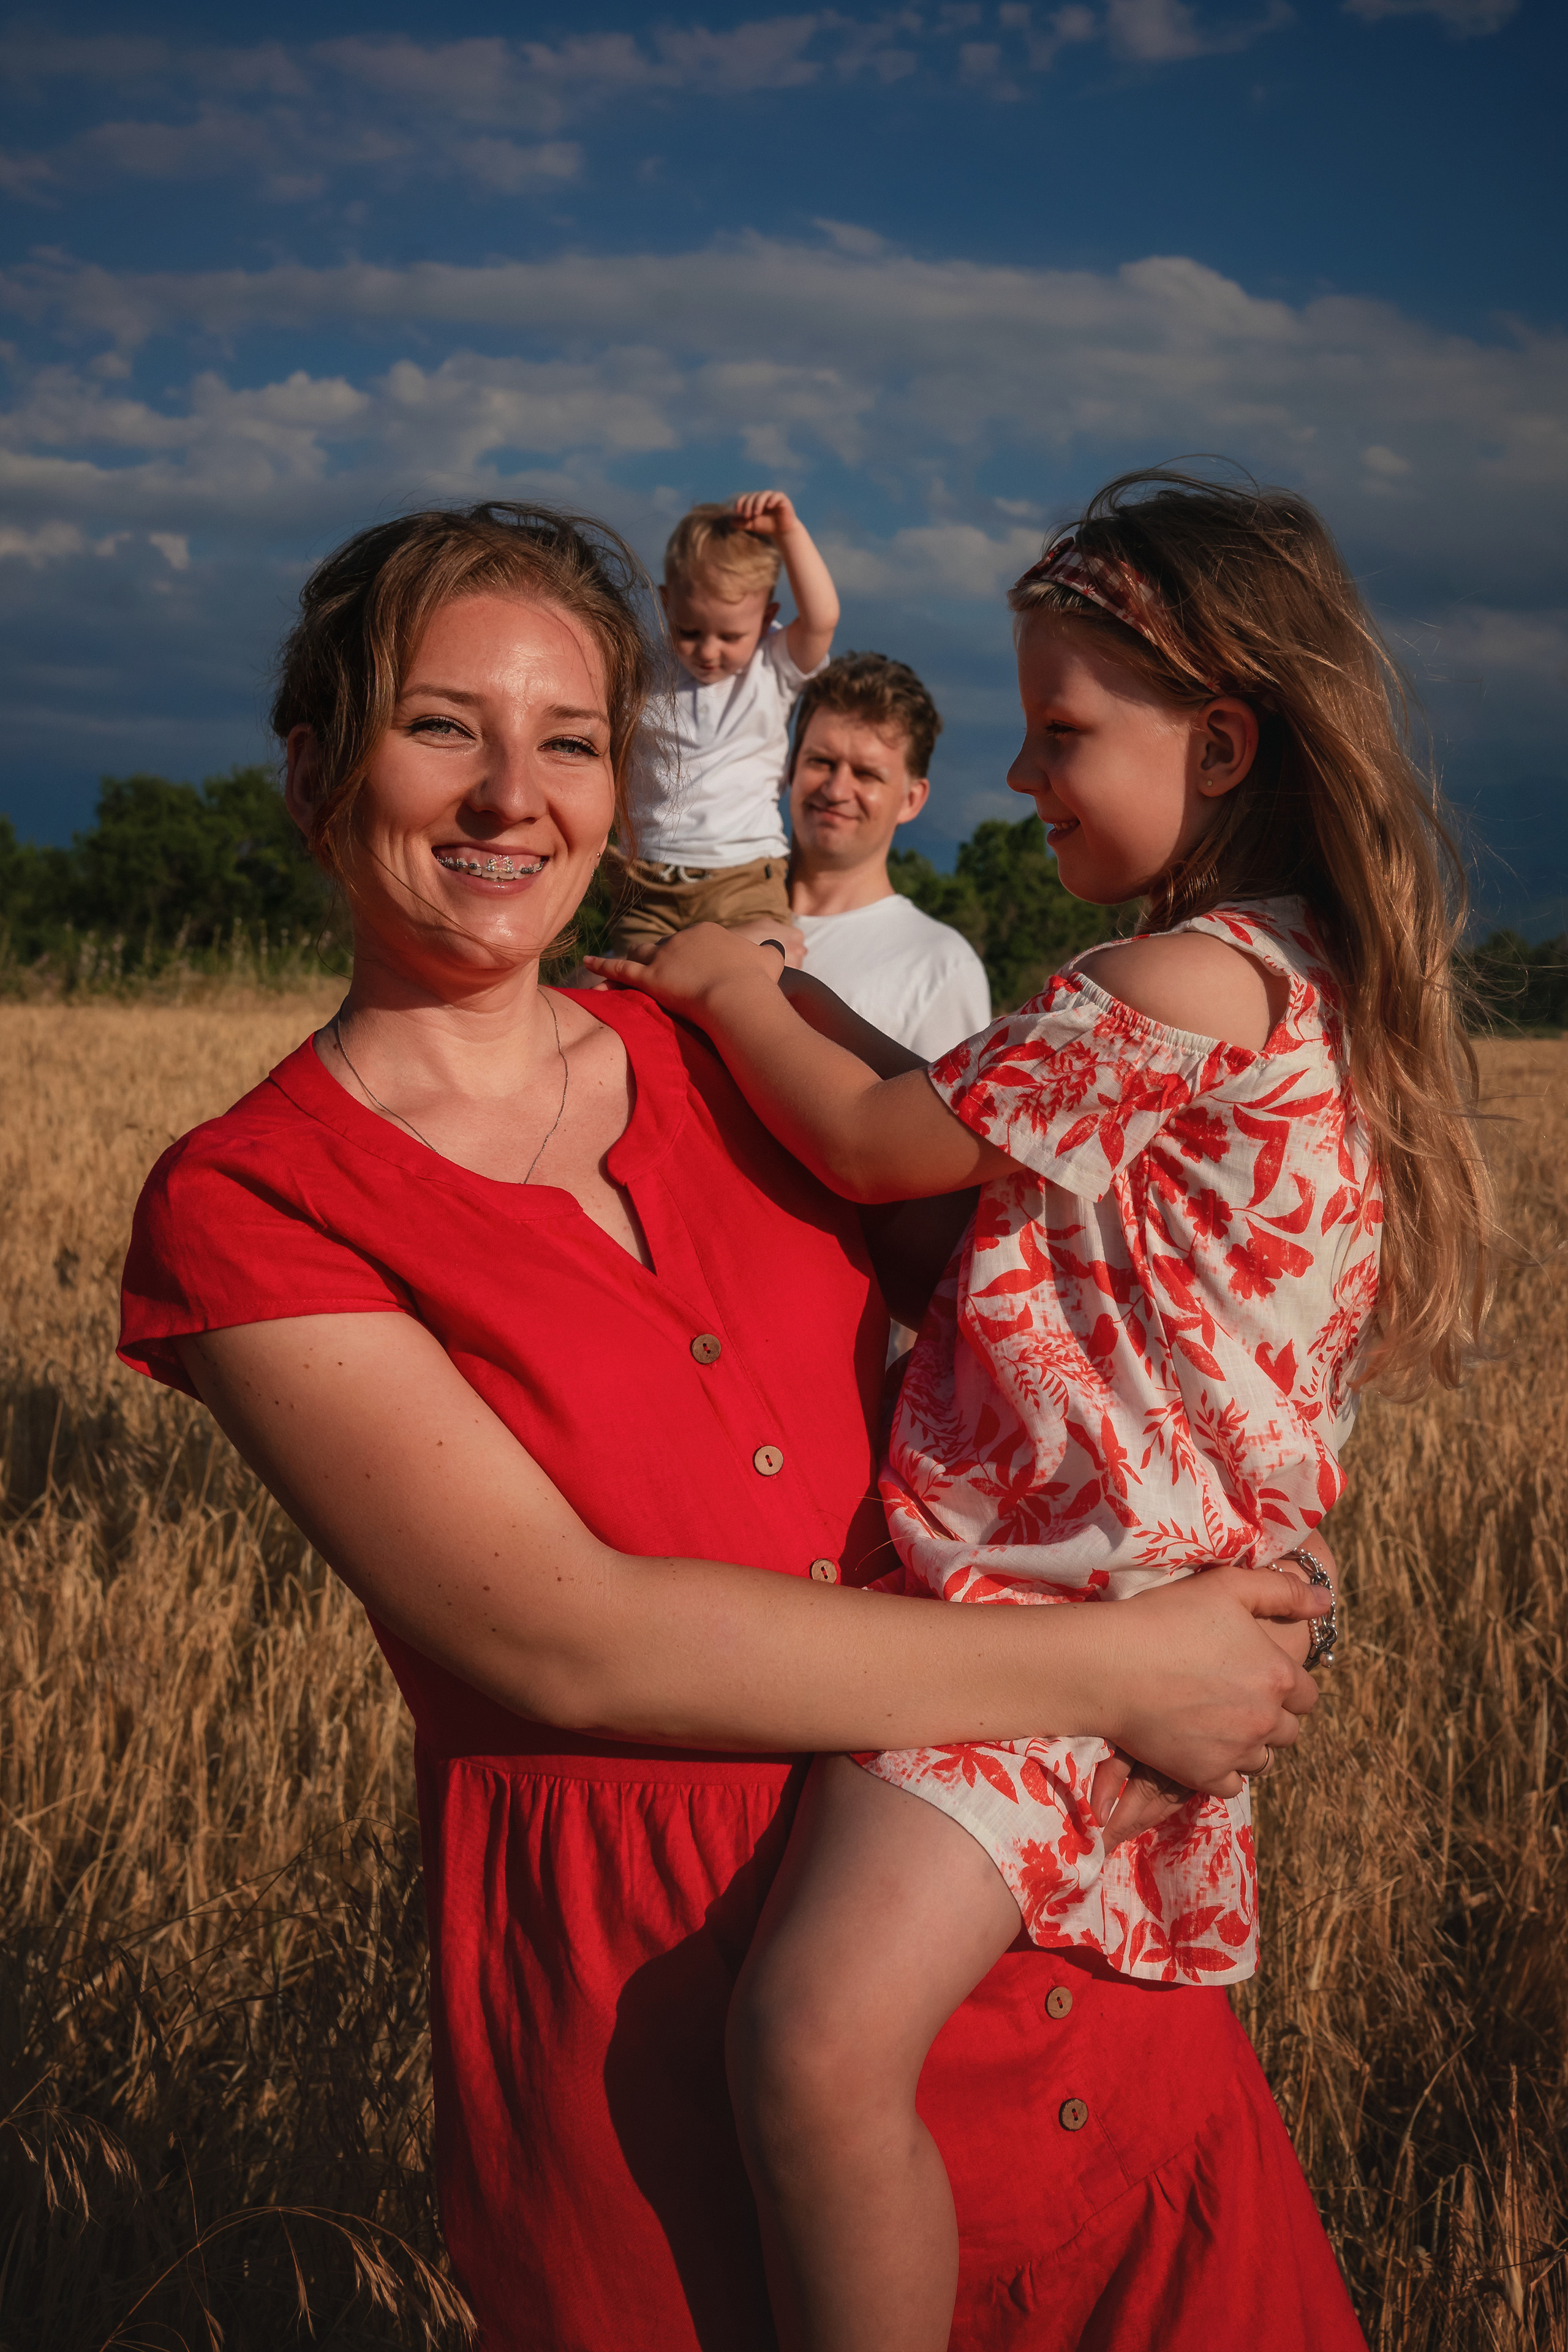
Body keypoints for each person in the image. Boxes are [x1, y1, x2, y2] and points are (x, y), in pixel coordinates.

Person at [117, 500, 1337, 2352]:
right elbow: (560, 1634)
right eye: (443, 723)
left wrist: (1261, 1515)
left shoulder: (727, 1049)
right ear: (309, 765)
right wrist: (1128, 1660)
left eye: (570, 737)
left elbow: (1059, 1304)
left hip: (1027, 1949)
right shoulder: (260, 1199)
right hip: (677, 2040)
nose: (510, 793)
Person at [589, 470, 1495, 2352]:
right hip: (1135, 1597)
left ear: (1222, 737)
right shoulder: (1296, 989)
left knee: (812, 2042)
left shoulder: (1173, 981)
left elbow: (869, 1131)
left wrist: (707, 972)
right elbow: (967, 1155)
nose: (1020, 771)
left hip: (1063, 1623)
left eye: (1062, 728)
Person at [608, 491, 839, 952]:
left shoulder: (773, 666)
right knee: (629, 983)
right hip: (647, 883)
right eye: (689, 631)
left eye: (730, 636)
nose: (708, 651)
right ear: (667, 604)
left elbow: (822, 617)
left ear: (768, 617)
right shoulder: (644, 669)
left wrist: (788, 532)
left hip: (743, 879)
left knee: (765, 966)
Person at [784, 651, 992, 1060]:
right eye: (821, 762)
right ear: (790, 767)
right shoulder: (713, 908)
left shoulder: (939, 966)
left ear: (911, 800)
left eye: (866, 774)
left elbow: (937, 1124)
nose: (837, 789)